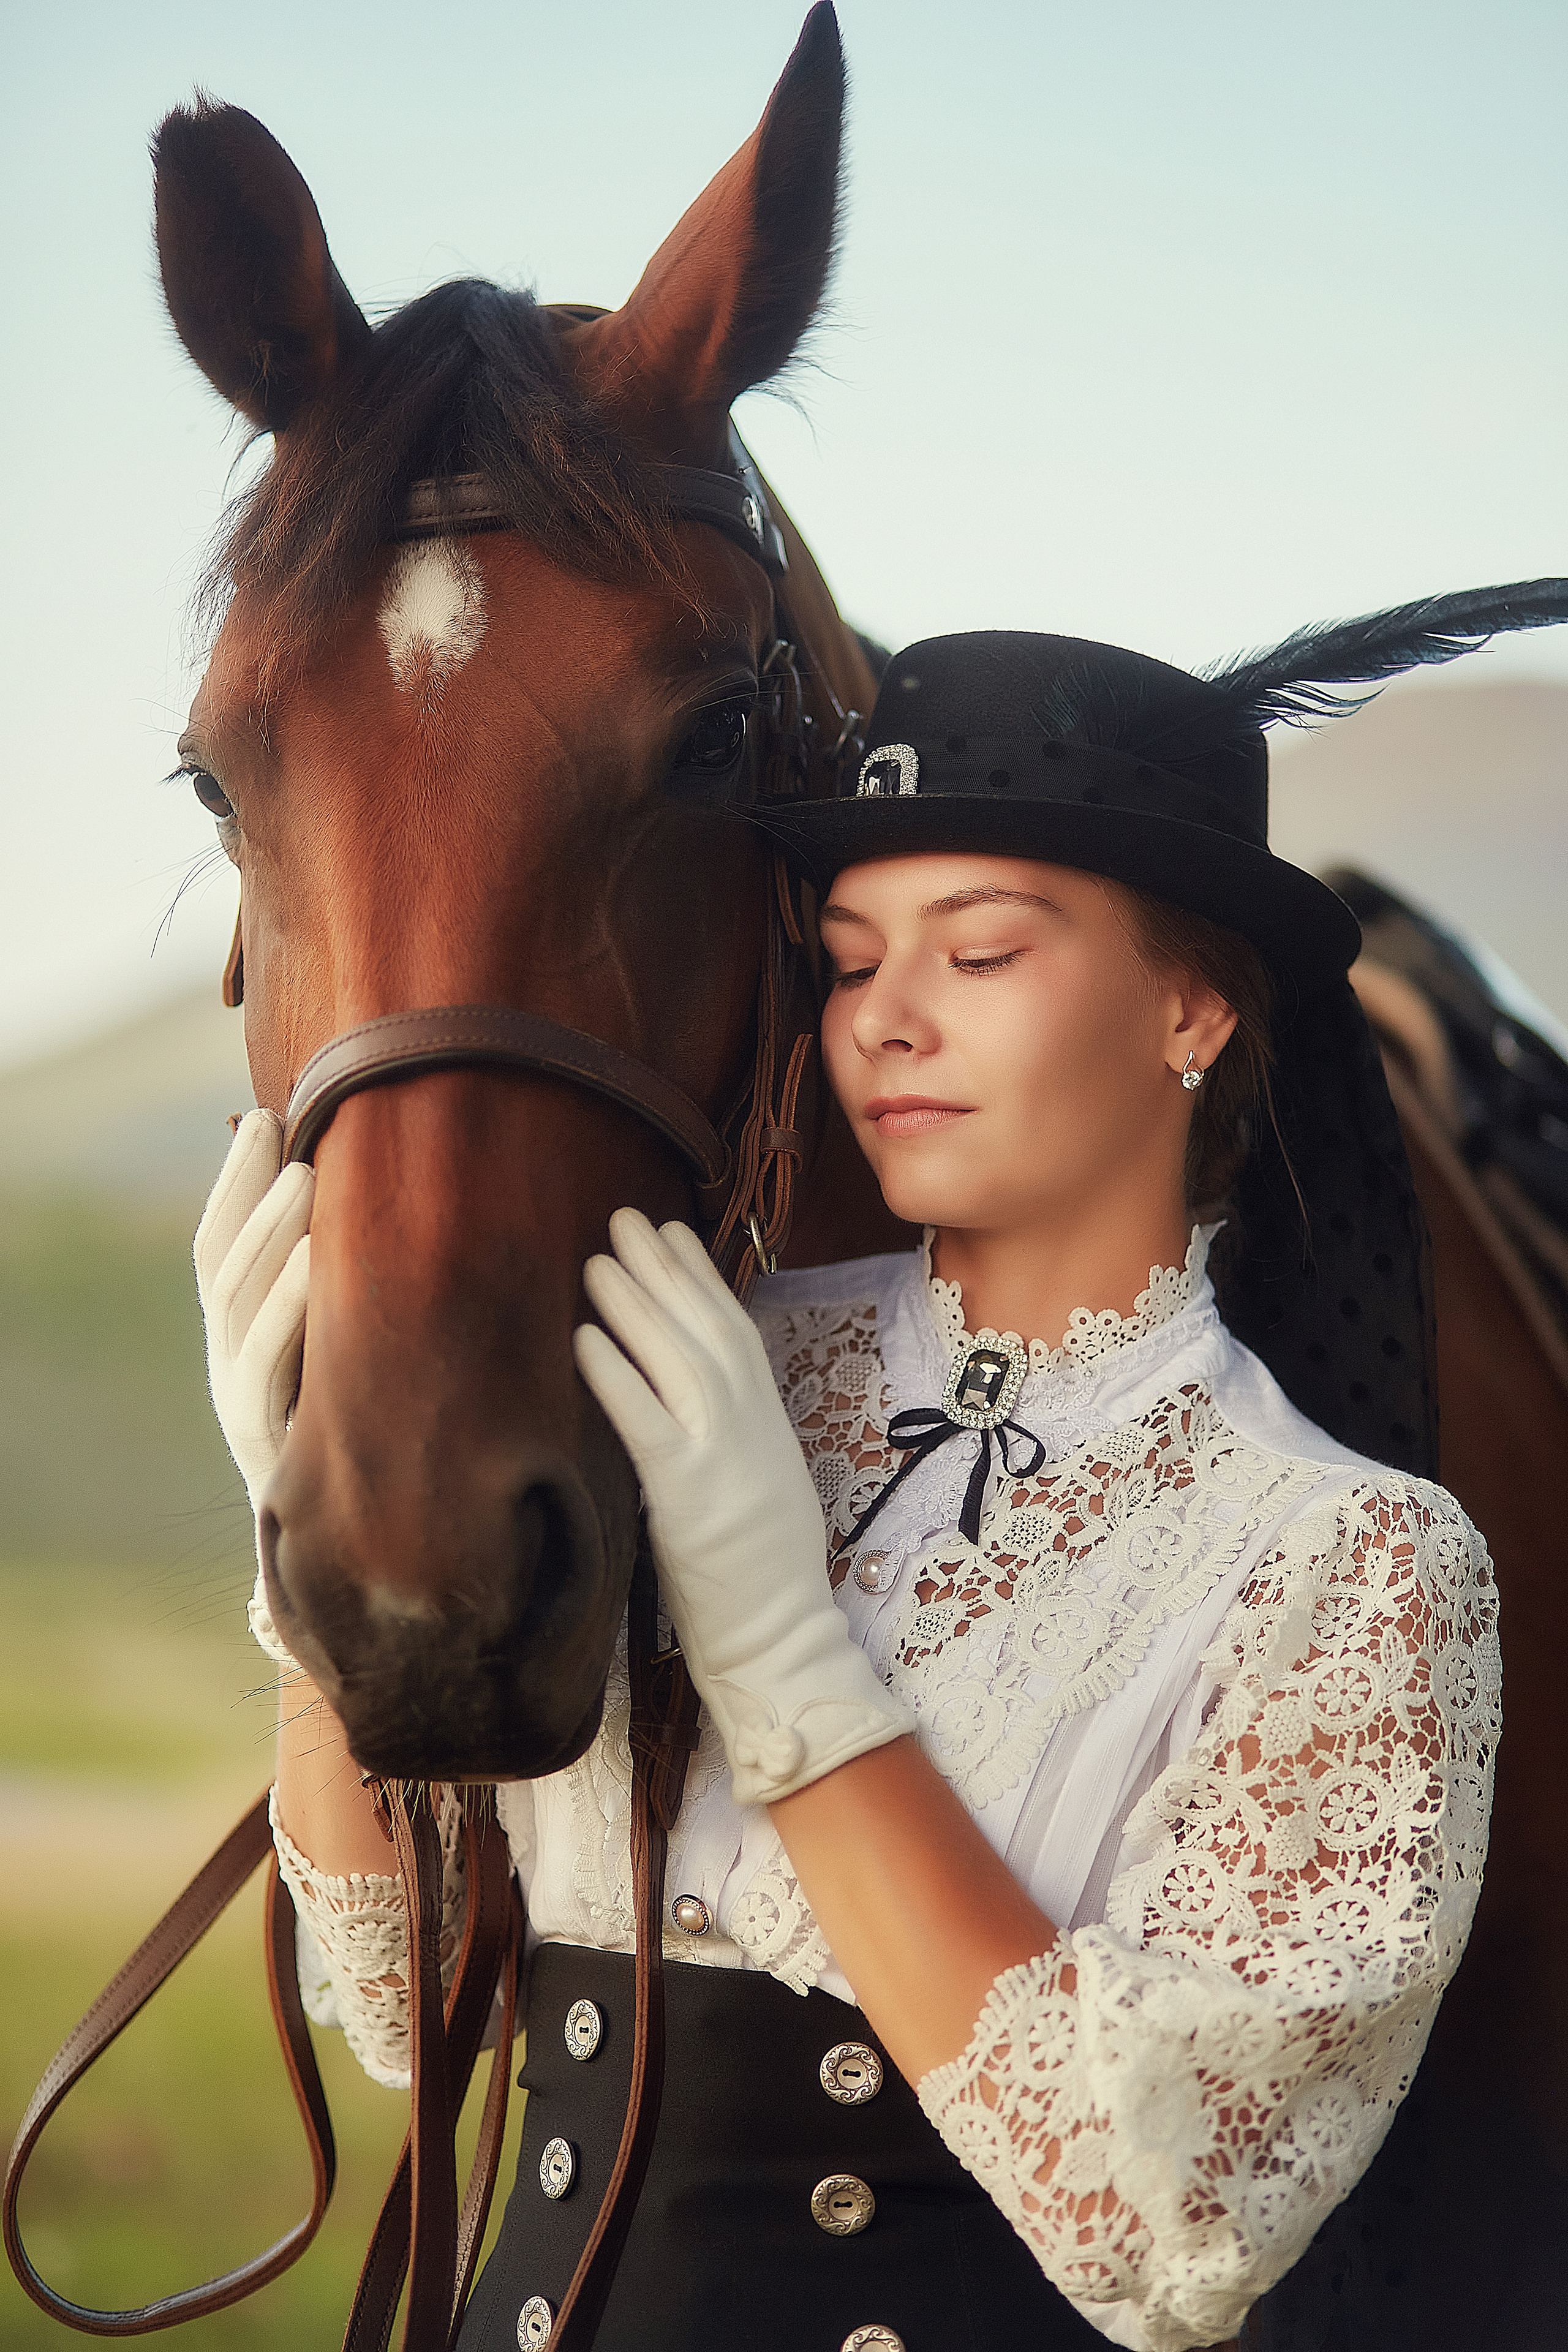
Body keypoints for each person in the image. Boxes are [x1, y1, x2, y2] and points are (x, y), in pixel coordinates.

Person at [197, 601, 1548, 2351]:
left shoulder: (1349, 1564)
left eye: (977, 954)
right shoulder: (693, 1362)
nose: (889, 1023)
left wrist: (789, 1666)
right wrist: (311, 1557)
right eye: (848, 958)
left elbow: (1170, 2233)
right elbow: (401, 1998)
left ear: (1193, 1006)